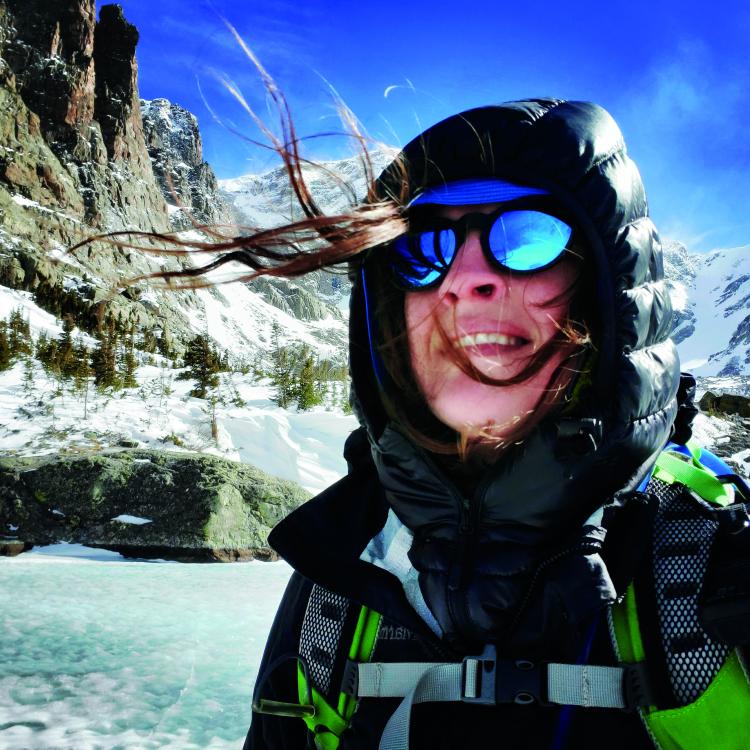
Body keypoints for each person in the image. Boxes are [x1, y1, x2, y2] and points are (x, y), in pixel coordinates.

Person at [128, 95, 750, 748]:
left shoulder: (711, 571)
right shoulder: (338, 585)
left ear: (607, 294)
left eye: (530, 234)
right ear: (389, 314)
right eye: (424, 247)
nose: (465, 277)